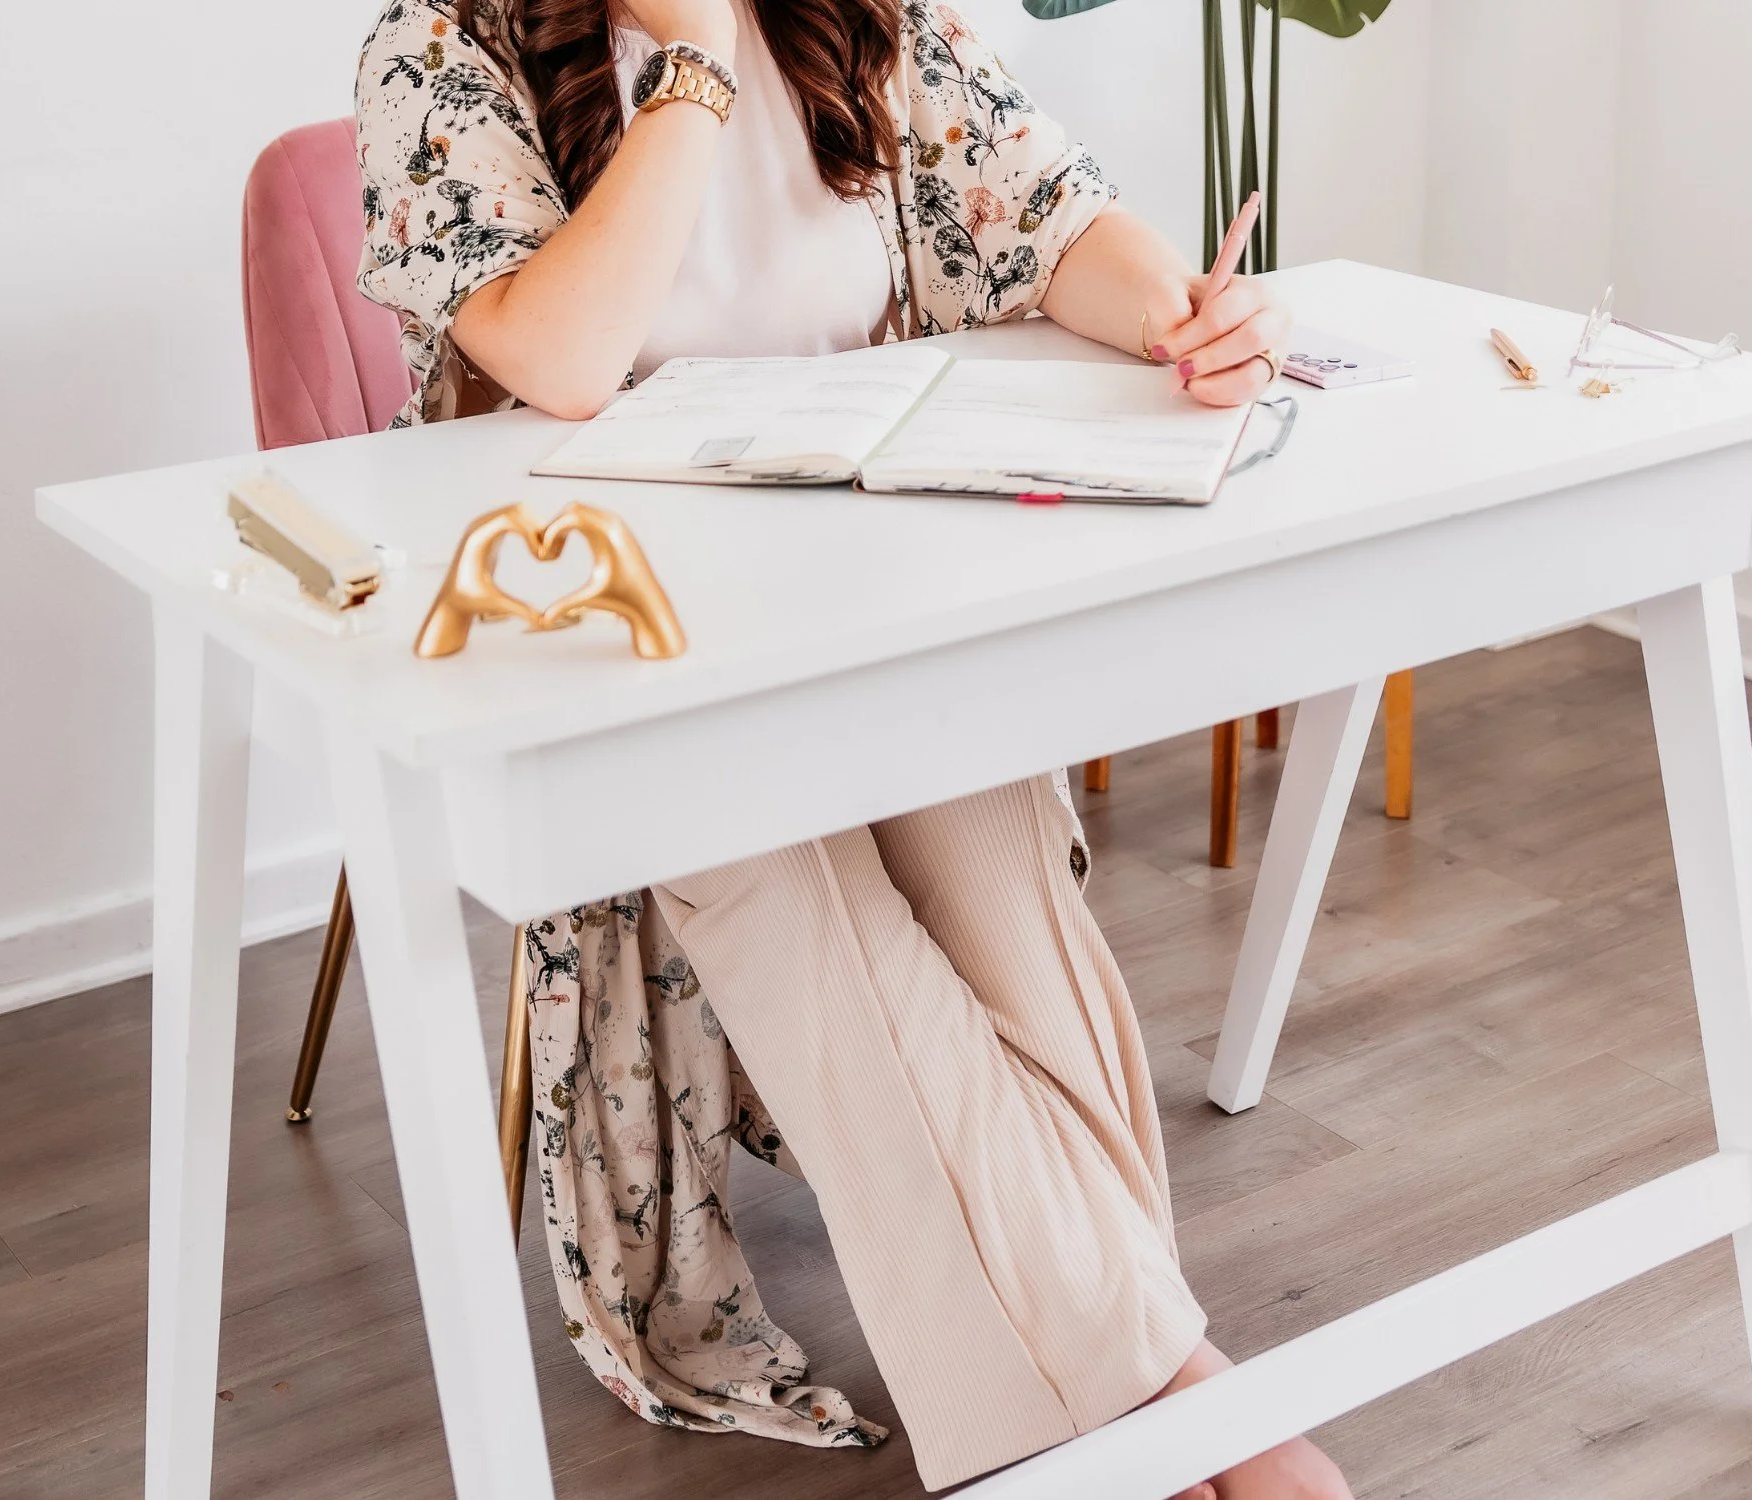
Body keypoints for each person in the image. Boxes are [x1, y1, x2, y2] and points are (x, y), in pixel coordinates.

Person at [355, 1, 1345, 1496]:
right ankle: (1194, 1415)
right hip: (621, 652)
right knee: (807, 920)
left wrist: (1181, 318)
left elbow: (1048, 212)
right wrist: (691, 64)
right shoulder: (440, 48)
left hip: (865, 602)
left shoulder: (853, 15)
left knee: (1003, 885)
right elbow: (557, 358)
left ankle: (1112, 1420)